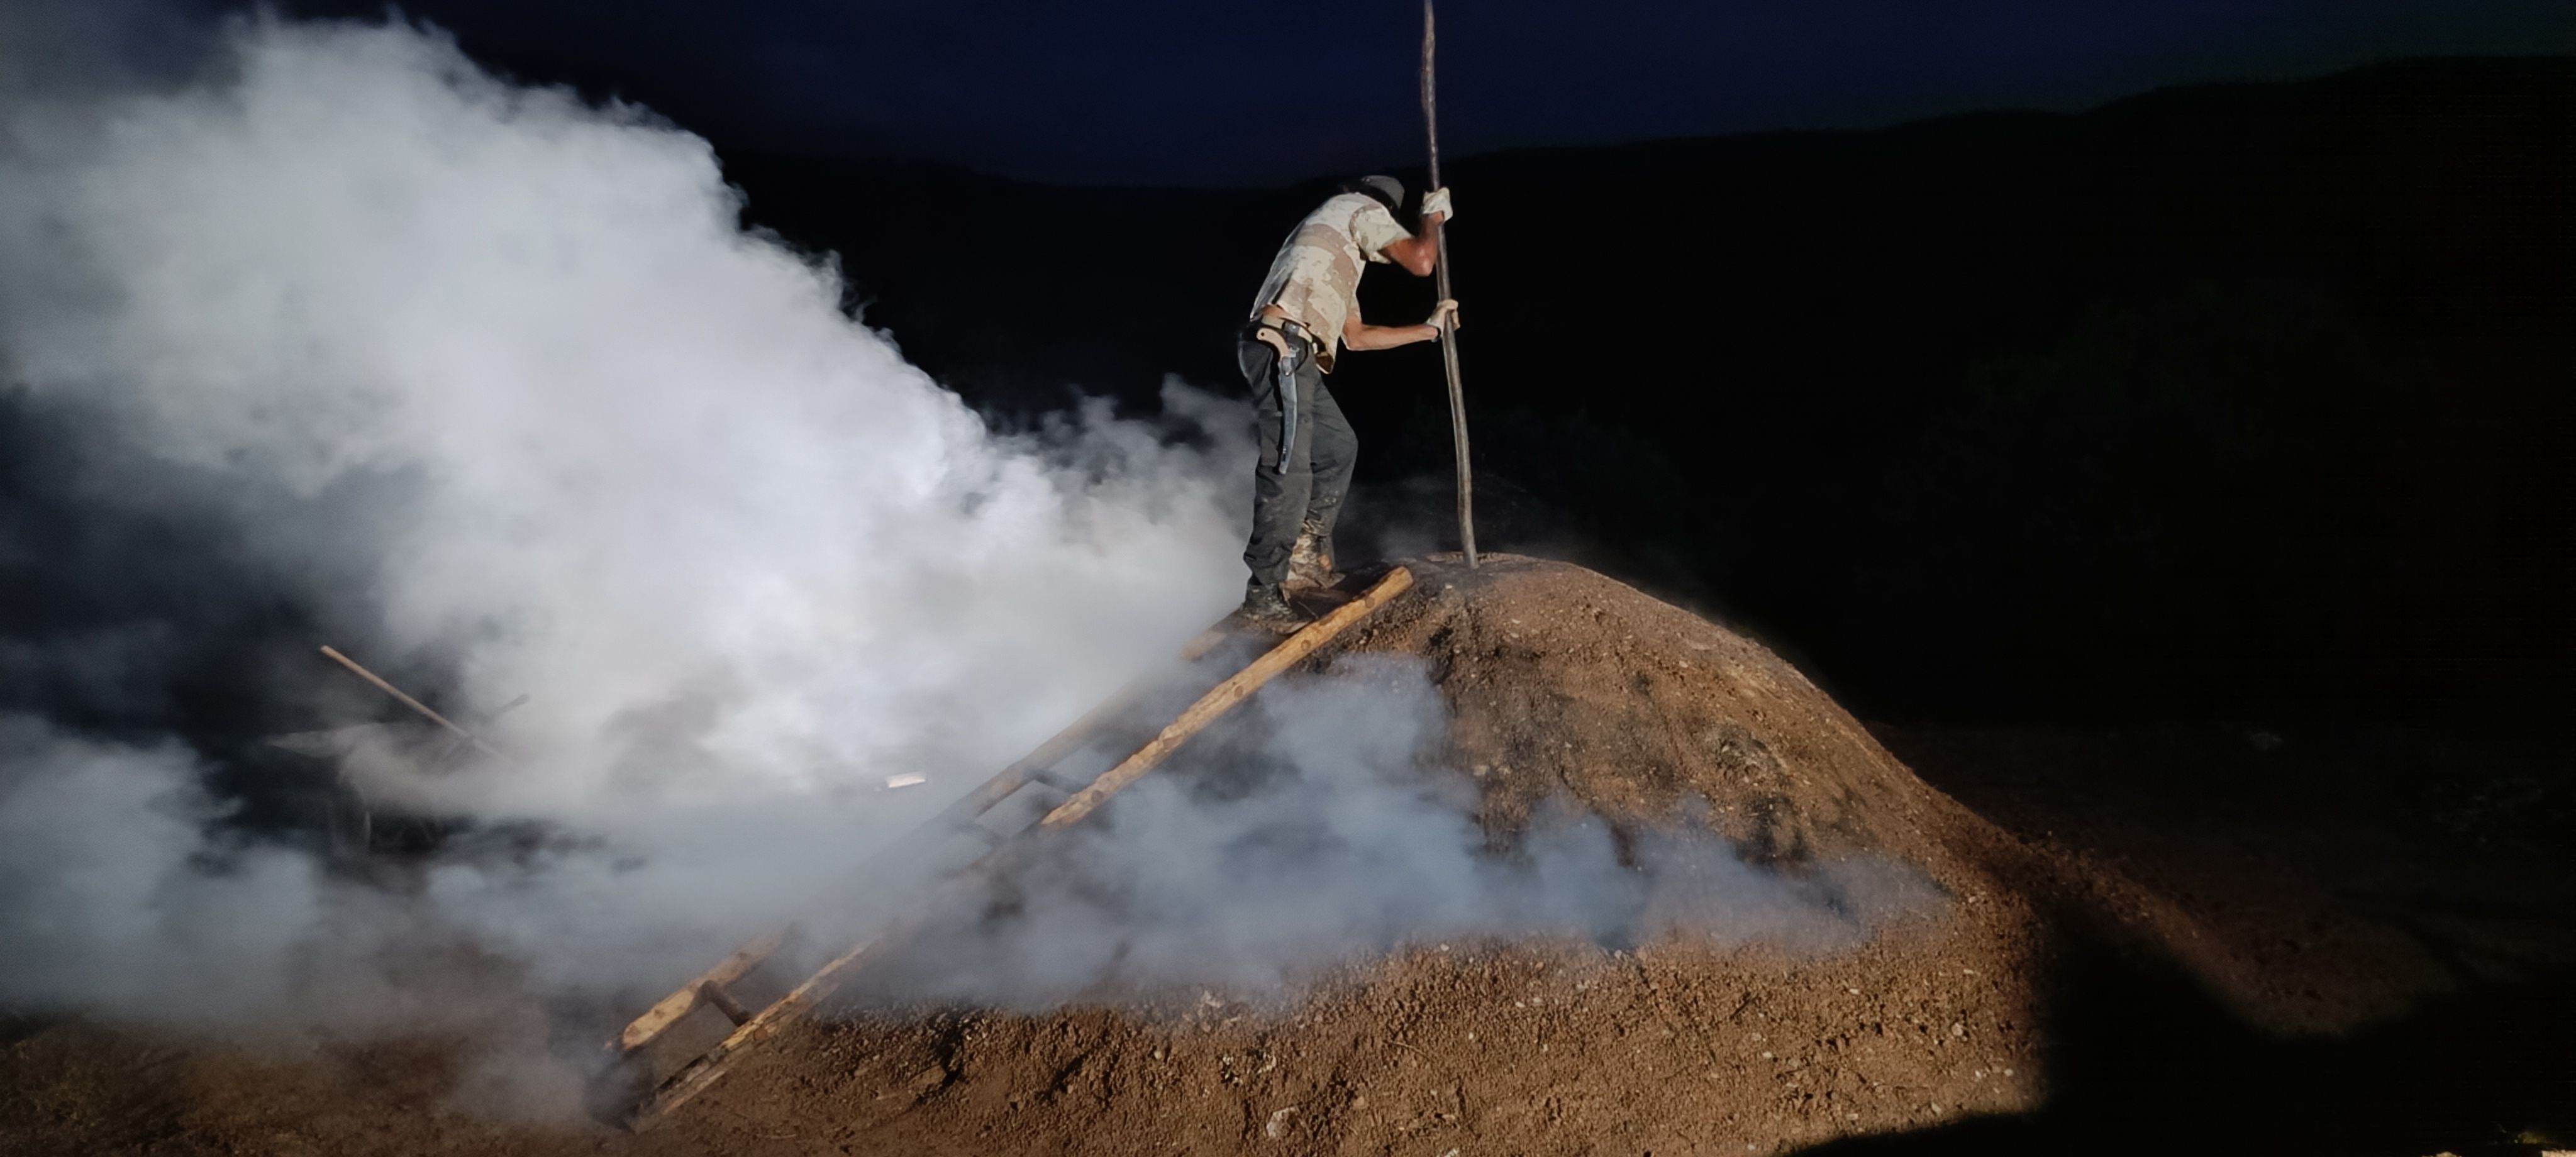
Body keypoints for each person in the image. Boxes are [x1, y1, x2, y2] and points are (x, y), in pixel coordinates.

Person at [1236, 174, 1458, 623]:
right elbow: (1421, 261)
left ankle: (1303, 558)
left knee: (1338, 447)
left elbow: (1356, 338)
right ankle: (1263, 593)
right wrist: (1432, 218)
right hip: (1282, 346)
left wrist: (1429, 330)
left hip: (1295, 352)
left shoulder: (1332, 251)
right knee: (1289, 468)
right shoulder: (1361, 210)